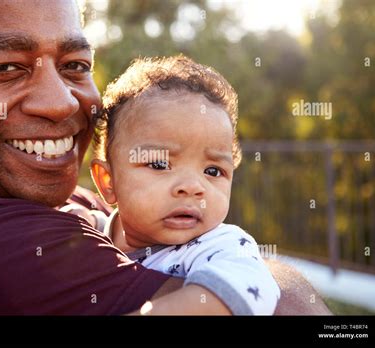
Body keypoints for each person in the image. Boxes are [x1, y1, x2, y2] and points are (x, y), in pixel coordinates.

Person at [0, 0, 331, 315]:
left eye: (74, 64)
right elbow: (290, 307)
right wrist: (244, 260)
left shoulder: (87, 208)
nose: (60, 103)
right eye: (5, 68)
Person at [91, 56, 280, 315]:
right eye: (159, 165)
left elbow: (233, 296)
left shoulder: (222, 246)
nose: (192, 187)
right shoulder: (90, 232)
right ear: (107, 181)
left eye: (213, 171)